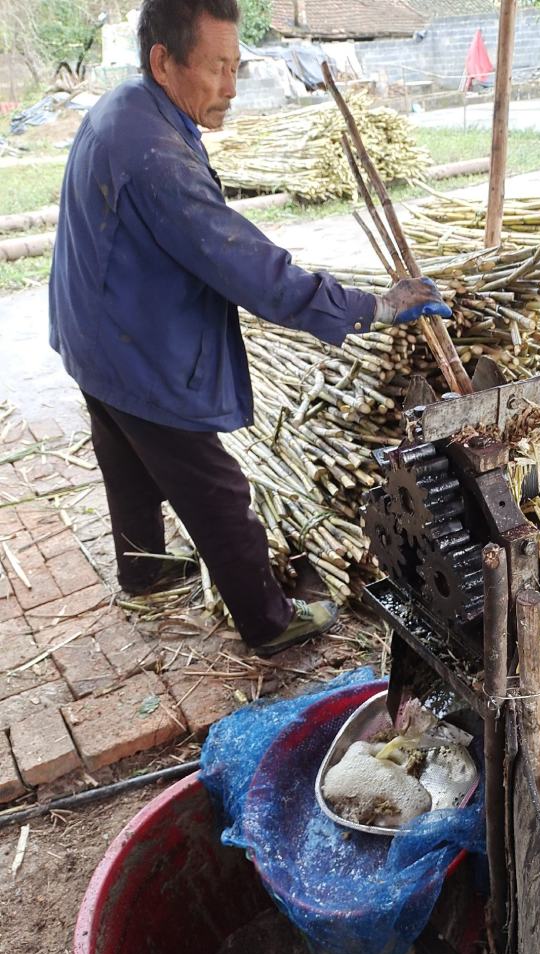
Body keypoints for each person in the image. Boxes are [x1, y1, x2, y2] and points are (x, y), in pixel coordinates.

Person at [49, 0, 450, 655]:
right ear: (163, 61)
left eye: (236, 67)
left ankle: (144, 570)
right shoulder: (156, 157)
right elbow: (254, 271)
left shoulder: (125, 109)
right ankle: (269, 622)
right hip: (128, 347)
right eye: (216, 67)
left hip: (92, 331)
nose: (231, 85)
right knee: (218, 490)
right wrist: (372, 305)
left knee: (123, 456)